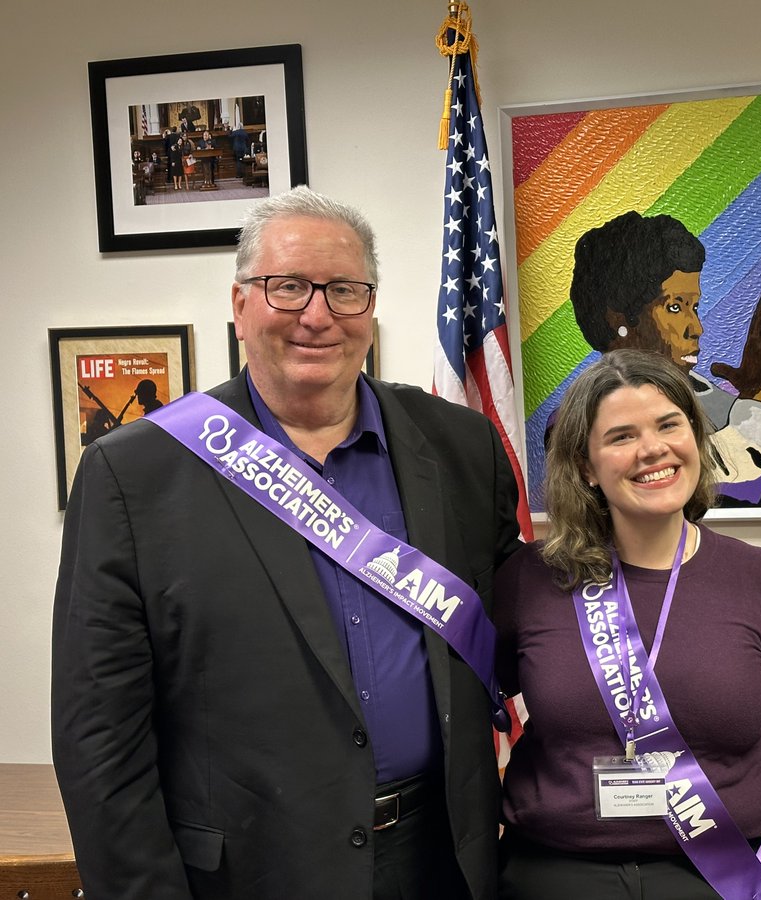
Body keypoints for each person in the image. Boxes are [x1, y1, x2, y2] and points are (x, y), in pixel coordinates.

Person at [52, 186, 522, 900]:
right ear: (240, 305)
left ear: (370, 306)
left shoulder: (459, 445)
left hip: (442, 861)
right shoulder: (134, 474)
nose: (317, 314)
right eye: (288, 287)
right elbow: (100, 741)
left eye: (344, 290)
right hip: (251, 872)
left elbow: (526, 625)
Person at [495, 348, 761, 899]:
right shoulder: (530, 581)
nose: (652, 449)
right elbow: (462, 709)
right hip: (556, 877)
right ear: (585, 466)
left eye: (668, 425)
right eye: (620, 436)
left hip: (727, 878)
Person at [569, 211, 761, 506]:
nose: (696, 328)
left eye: (694, 307)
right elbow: (706, 481)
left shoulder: (704, 395)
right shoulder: (577, 418)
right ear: (619, 320)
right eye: (675, 307)